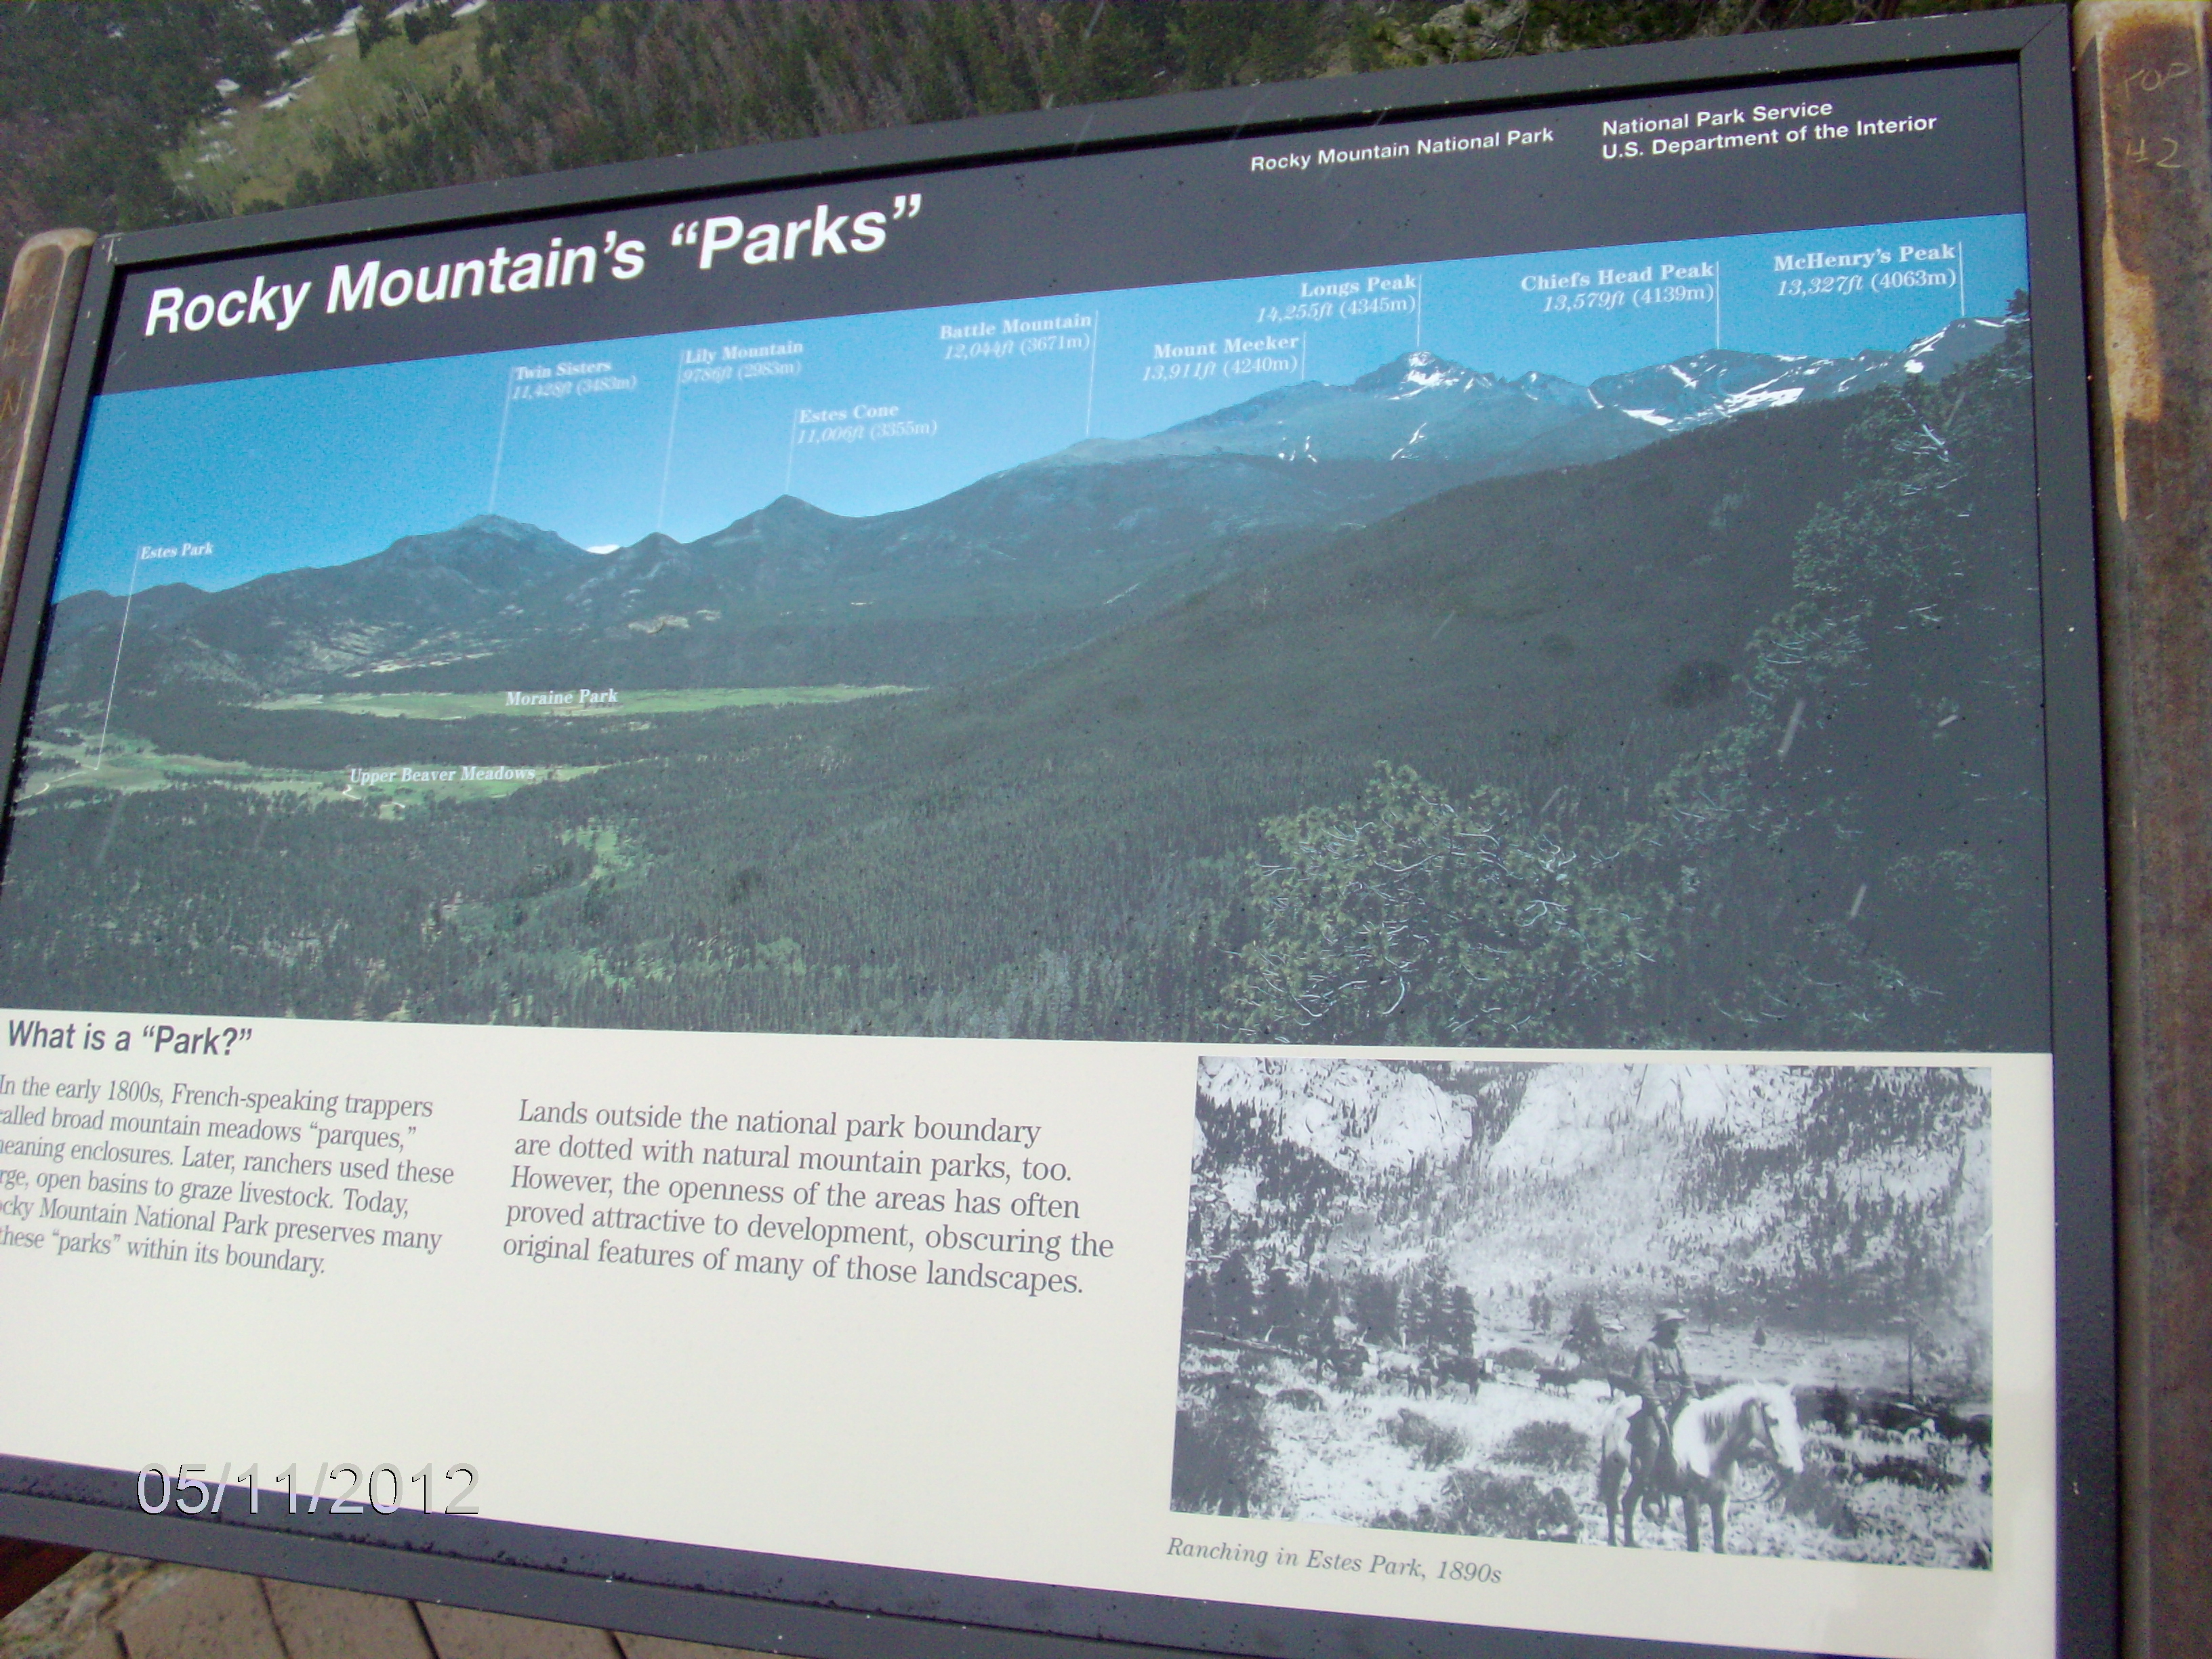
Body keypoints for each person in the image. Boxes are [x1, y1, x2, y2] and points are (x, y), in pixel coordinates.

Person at [1629, 1308, 1694, 1481]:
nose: (1676, 1330)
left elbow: (1687, 1378)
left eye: (1677, 1326)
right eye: (1672, 1326)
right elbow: (1645, 1382)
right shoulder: (1649, 1349)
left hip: (1679, 1405)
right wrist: (1656, 1407)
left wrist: (1692, 1397)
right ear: (1662, 1328)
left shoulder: (1676, 1350)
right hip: (1657, 1407)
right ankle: (1647, 1482)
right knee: (1653, 1440)